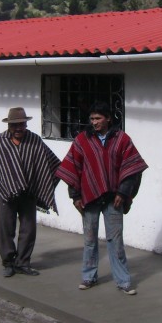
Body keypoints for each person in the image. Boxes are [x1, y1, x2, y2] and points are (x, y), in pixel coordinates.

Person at [56, 101, 148, 295]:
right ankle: (89, 277)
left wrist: (123, 193)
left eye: (98, 118)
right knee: (90, 240)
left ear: (108, 118)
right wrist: (75, 196)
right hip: (89, 198)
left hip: (114, 198)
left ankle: (123, 281)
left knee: (116, 241)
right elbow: (73, 168)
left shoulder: (122, 139)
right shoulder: (82, 140)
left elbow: (132, 168)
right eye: (92, 119)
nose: (94, 122)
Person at [0, 107, 60, 277]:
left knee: (28, 229)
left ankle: (23, 263)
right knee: (5, 229)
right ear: (9, 125)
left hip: (28, 193)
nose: (18, 129)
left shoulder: (34, 140)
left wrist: (45, 182)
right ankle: (8, 262)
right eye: (15, 125)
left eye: (21, 124)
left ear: (25, 124)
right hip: (6, 193)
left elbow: (51, 163)